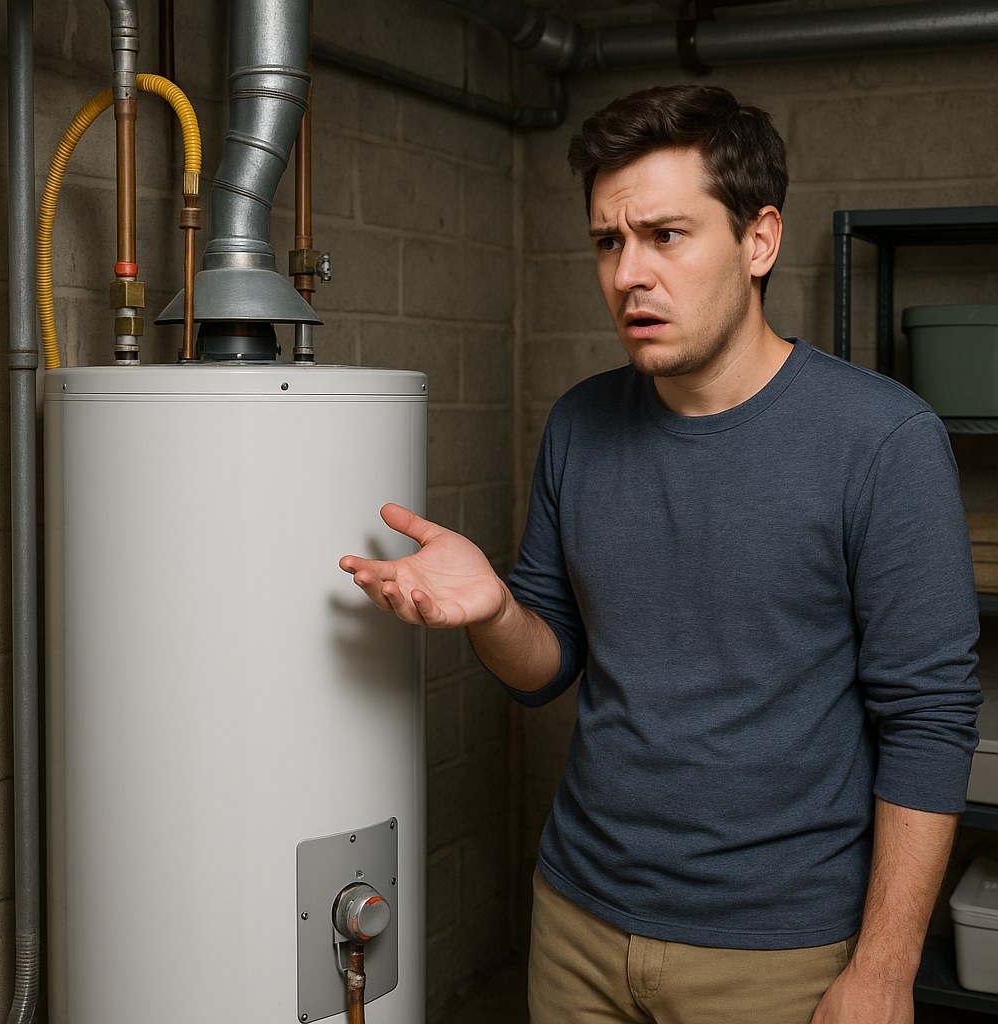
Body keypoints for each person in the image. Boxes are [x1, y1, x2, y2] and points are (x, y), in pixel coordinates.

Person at [339, 84, 981, 1024]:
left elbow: (929, 718)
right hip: (577, 922)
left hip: (776, 953)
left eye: (666, 236)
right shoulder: (580, 424)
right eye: (609, 242)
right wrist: (496, 614)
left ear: (759, 241)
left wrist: (883, 969)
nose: (628, 275)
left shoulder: (882, 441)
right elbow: (543, 669)